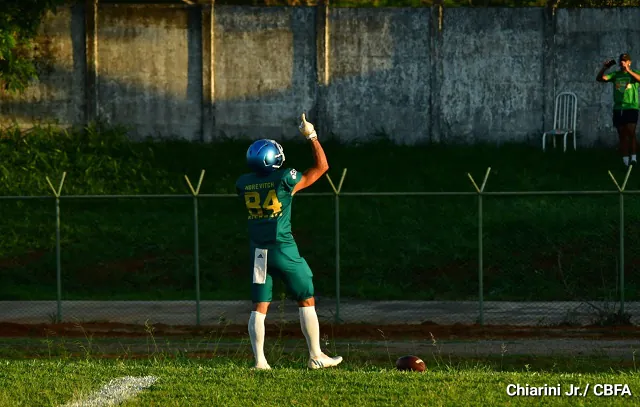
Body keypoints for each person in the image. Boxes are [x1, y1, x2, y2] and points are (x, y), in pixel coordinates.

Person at [235, 113, 343, 370]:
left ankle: (260, 361)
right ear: (273, 159)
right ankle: (316, 355)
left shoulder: (243, 183)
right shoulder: (284, 179)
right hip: (283, 248)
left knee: (259, 306)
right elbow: (320, 168)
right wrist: (312, 137)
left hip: (259, 252)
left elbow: (260, 185)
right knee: (306, 297)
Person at [597, 53, 640, 166]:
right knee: (622, 134)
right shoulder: (615, 75)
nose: (623, 62)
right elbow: (600, 79)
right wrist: (605, 68)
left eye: (625, 60)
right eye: (621, 60)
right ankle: (625, 161)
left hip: (631, 107)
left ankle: (634, 159)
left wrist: (629, 71)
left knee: (631, 132)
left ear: (629, 62)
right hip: (618, 108)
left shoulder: (634, 74)